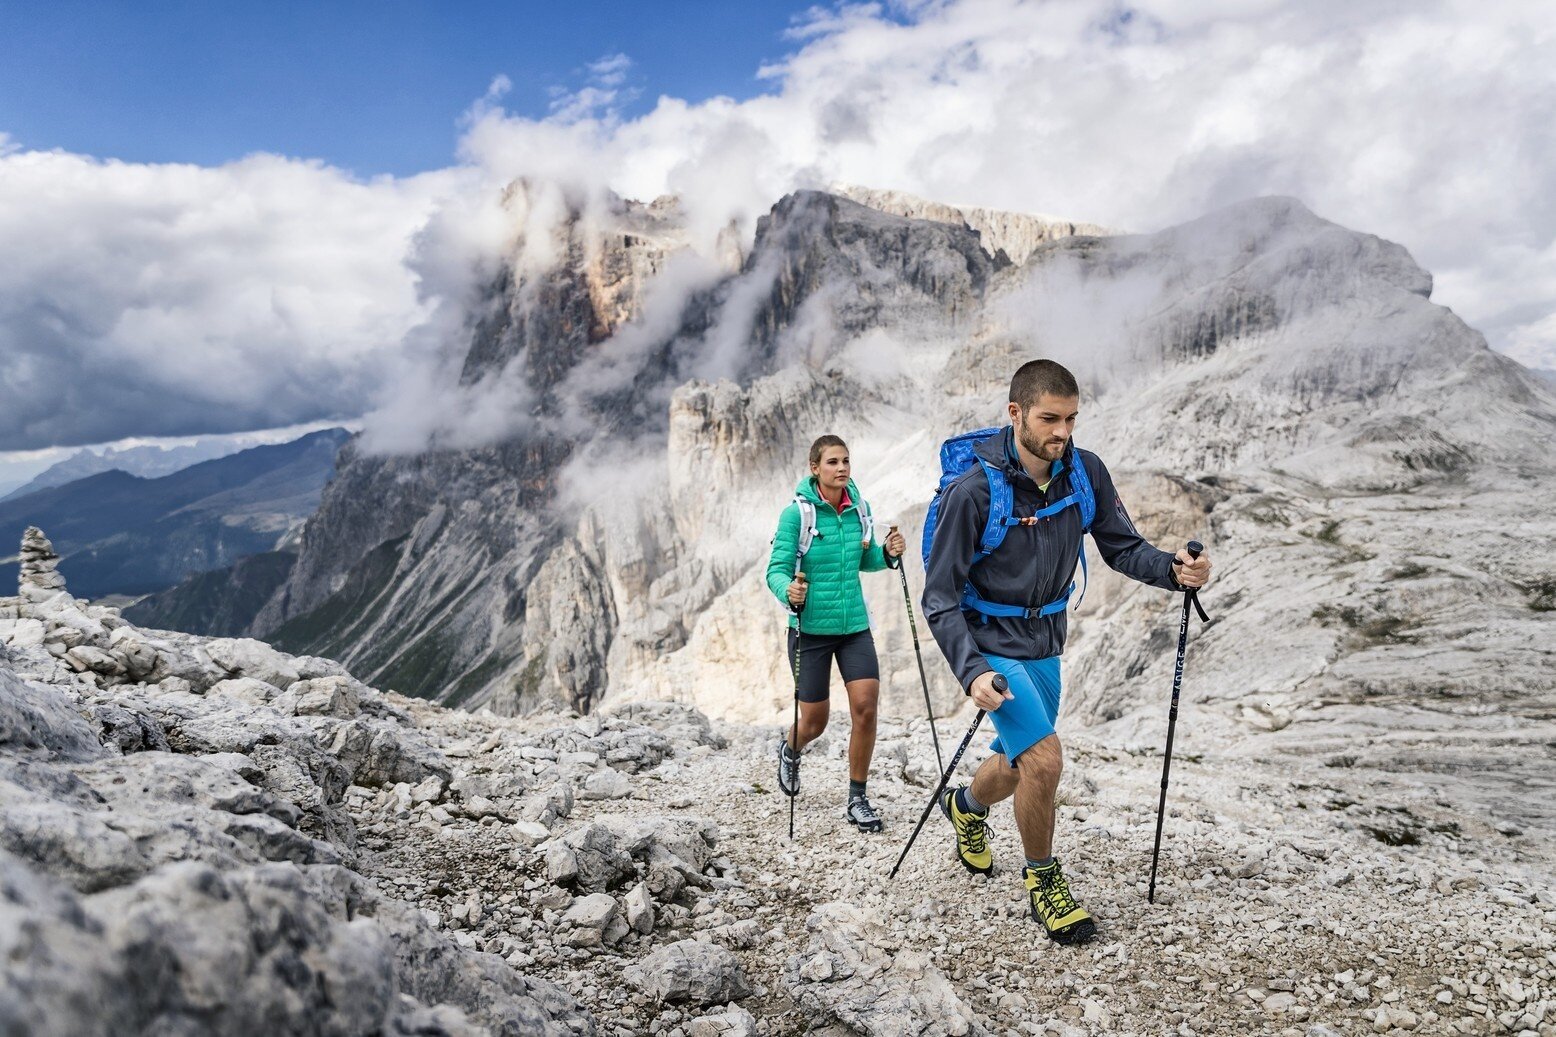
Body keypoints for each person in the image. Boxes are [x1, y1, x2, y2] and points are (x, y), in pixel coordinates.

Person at [922, 359, 1212, 944]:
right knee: (1046, 761)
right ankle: (1044, 881)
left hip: (1047, 644)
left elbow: (1122, 546)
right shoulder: (973, 492)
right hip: (990, 644)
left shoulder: (1085, 472)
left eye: (1072, 419)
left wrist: (1174, 571)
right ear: (1015, 414)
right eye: (1050, 419)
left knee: (1018, 760)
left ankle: (966, 808)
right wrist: (972, 670)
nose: (1062, 433)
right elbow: (939, 597)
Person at [766, 434, 907, 832]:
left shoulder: (860, 508)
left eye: (845, 461)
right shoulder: (797, 515)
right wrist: (787, 590)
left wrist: (889, 555)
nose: (842, 468)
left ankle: (857, 798)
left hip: (854, 628)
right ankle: (791, 749)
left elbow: (867, 559)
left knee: (866, 707)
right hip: (809, 629)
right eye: (832, 462)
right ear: (815, 468)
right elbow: (775, 569)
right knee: (815, 722)